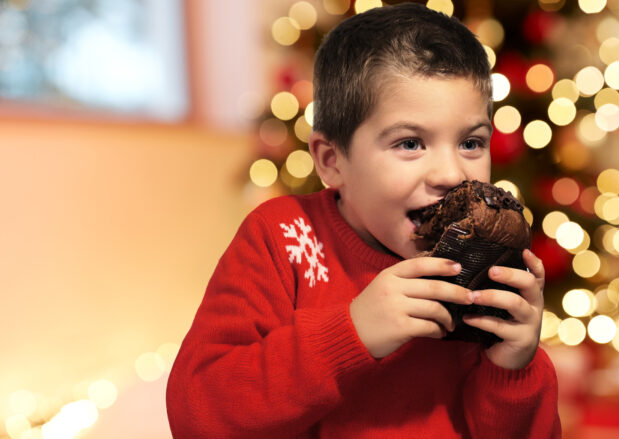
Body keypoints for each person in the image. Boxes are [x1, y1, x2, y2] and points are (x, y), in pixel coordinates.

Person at [166, 2, 560, 437]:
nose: (452, 174)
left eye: (471, 142)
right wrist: (349, 334)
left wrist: (512, 368)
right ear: (332, 161)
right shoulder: (283, 238)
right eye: (410, 143)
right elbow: (197, 413)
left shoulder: (484, 273)